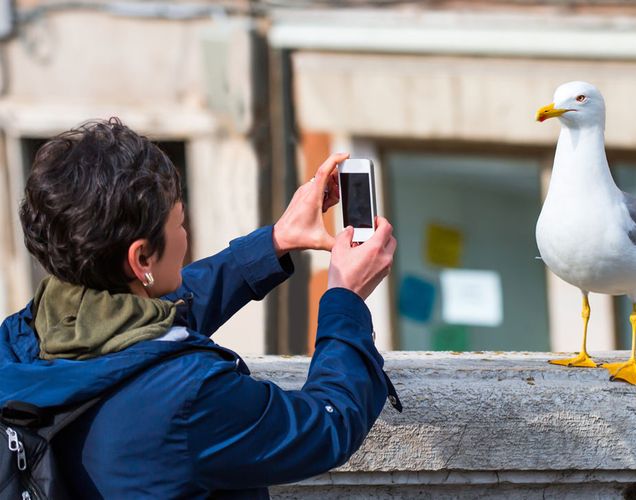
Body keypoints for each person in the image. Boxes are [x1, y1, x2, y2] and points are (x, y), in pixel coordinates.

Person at [0, 118, 399, 498]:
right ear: (141, 260)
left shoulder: (23, 336)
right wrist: (346, 297)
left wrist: (277, 240)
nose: (185, 235)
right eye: (178, 223)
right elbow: (327, 425)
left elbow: (158, 316)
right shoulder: (192, 397)